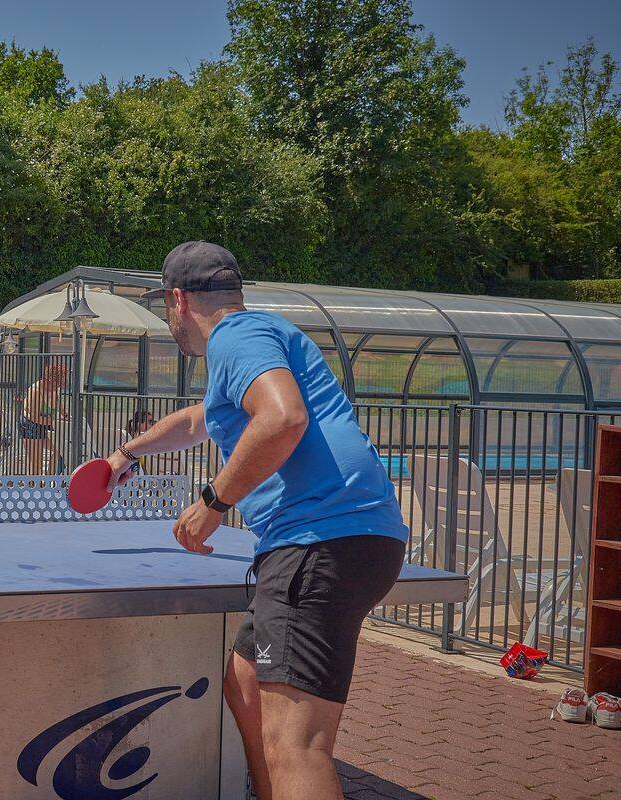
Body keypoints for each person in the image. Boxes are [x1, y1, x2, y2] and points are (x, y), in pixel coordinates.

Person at [105, 241, 408, 800]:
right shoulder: (261, 332)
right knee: (245, 683)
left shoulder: (233, 337)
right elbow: (200, 420)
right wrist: (127, 453)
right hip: (347, 537)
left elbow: (282, 417)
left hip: (318, 542)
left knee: (294, 745)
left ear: (178, 300)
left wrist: (212, 503)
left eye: (164, 310)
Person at [19, 363, 69, 474]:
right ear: (52, 380)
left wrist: (66, 415)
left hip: (44, 426)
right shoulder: (36, 390)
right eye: (60, 382)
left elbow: (57, 404)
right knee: (36, 462)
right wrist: (50, 421)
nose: (61, 386)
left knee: (60, 450)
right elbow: (32, 415)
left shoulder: (54, 389)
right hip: (30, 426)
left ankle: (48, 479)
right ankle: (35, 487)